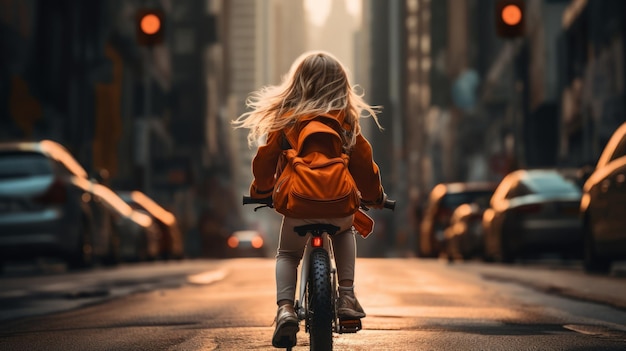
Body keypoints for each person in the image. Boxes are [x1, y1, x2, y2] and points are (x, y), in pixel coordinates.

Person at [233, 50, 387, 348]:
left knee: (288, 255)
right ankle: (346, 296)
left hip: (298, 205)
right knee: (344, 231)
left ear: (297, 85)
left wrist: (261, 191)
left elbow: (264, 161)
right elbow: (364, 164)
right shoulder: (345, 122)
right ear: (340, 85)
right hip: (339, 204)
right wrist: (374, 196)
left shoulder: (287, 120)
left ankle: (285, 309)